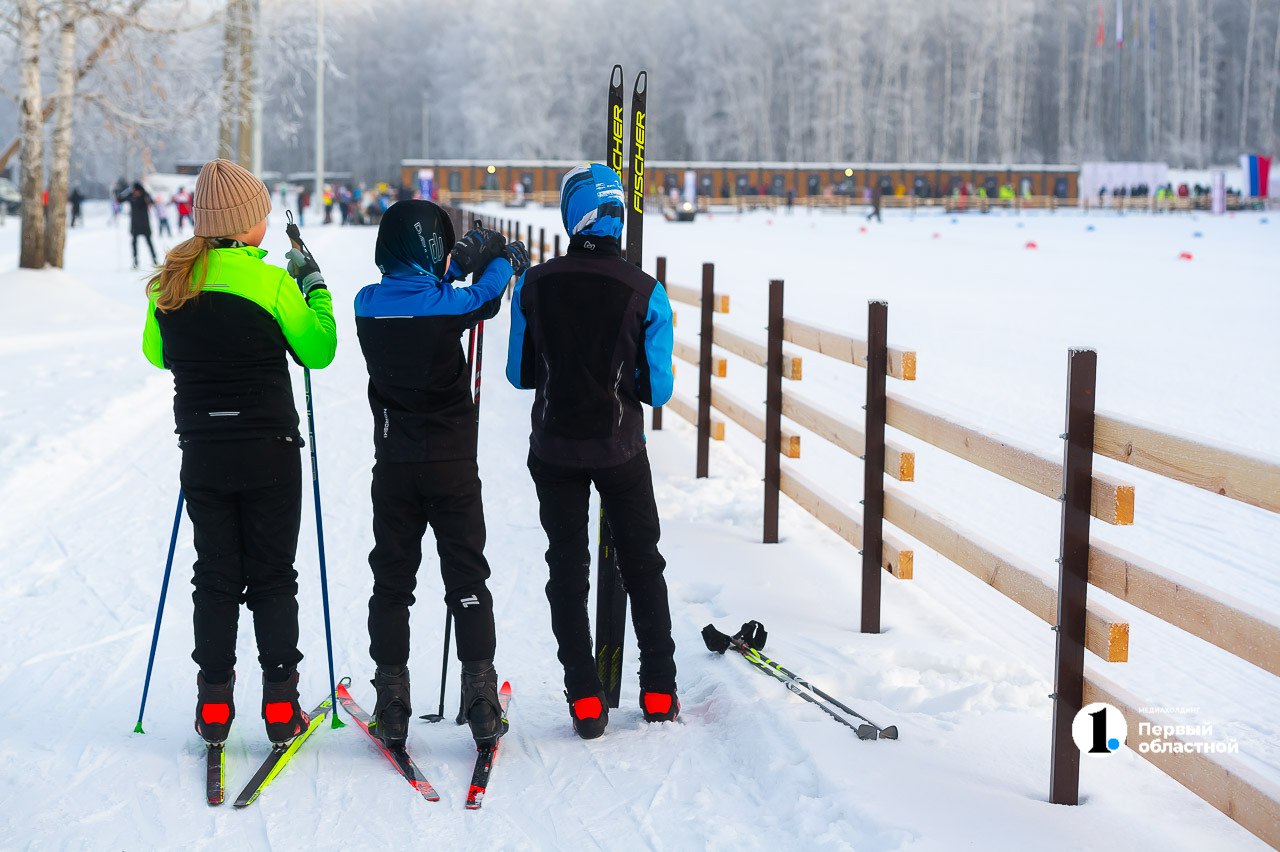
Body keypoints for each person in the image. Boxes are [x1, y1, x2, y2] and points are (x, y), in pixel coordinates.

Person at [141, 158, 337, 747]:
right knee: (275, 575)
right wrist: (315, 288)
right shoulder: (273, 281)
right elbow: (319, 350)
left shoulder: (170, 284)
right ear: (246, 222)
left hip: (203, 450)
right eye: (263, 215)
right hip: (269, 450)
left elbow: (158, 355)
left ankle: (215, 707)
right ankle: (281, 708)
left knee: (216, 576)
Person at [506, 163, 677, 739]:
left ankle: (583, 697)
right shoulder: (646, 292)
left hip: (554, 449)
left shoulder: (533, 285)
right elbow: (658, 390)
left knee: (567, 568)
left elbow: (520, 374)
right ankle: (658, 689)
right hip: (620, 448)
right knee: (642, 563)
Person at [352, 201, 529, 749]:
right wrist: (500, 256)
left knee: (391, 583)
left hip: (395, 466)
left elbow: (425, 289)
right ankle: (479, 695)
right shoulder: (450, 307)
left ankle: (393, 699)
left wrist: (452, 266)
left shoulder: (366, 305)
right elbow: (485, 296)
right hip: (452, 463)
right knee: (467, 578)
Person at [118, 181, 158, 269]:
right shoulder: (131, 196)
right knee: (134, 243)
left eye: (137, 190)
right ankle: (135, 262)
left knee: (149, 242)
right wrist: (123, 190)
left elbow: (152, 202)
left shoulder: (145, 196)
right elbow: (120, 199)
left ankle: (155, 260)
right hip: (135, 224)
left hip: (145, 224)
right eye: (134, 190)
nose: (136, 192)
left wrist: (147, 195)